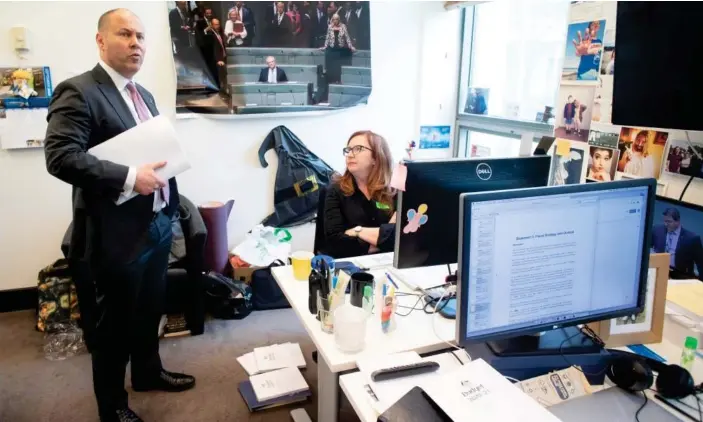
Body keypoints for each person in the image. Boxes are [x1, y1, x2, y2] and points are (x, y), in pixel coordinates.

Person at [43, 9, 195, 422]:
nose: (136, 43)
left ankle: (148, 373)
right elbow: (60, 157)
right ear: (100, 40)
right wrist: (129, 176)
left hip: (158, 223)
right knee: (112, 328)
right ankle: (112, 408)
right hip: (116, 234)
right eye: (125, 34)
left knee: (150, 310)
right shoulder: (79, 91)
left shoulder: (141, 94)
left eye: (141, 36)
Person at [323, 131, 397, 259]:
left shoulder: (393, 191)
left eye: (358, 149)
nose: (350, 155)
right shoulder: (335, 191)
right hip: (349, 265)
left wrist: (358, 231)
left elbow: (400, 237)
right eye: (348, 150)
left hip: (387, 264)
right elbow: (335, 242)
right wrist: (383, 241)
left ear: (376, 157)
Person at [652, 208, 703, 280]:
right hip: (659, 271)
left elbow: (701, 264)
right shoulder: (657, 230)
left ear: (678, 221)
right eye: (665, 221)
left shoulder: (692, 238)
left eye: (669, 222)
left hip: (681, 276)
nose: (666, 224)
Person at [320, 14, 355, 84]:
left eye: (336, 19)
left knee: (339, 64)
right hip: (332, 48)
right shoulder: (330, 27)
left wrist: (351, 46)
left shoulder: (343, 26)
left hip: (340, 48)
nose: (335, 21)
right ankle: (331, 80)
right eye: (334, 19)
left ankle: (339, 80)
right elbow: (327, 37)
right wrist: (325, 46)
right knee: (331, 62)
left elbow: (347, 37)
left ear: (339, 19)